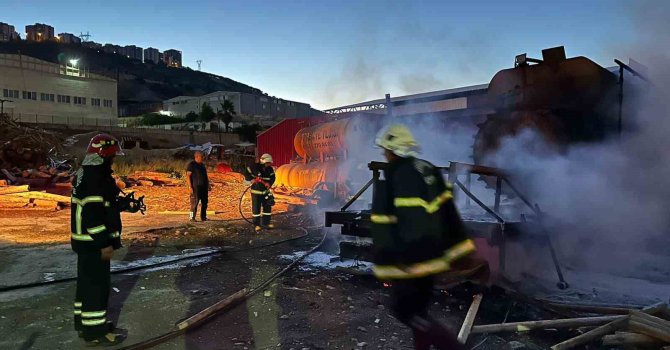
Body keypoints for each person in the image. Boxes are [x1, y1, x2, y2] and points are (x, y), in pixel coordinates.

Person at [370, 124, 476, 350]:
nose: (384, 155)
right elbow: (450, 214)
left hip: (411, 261)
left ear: (393, 150)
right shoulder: (428, 169)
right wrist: (461, 251)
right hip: (433, 256)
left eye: (385, 150)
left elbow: (384, 221)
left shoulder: (393, 174)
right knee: (419, 312)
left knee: (407, 312)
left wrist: (387, 258)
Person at [71, 134, 126, 346]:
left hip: (83, 241)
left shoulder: (86, 173)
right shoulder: (96, 178)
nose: (114, 160)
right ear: (103, 155)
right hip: (93, 243)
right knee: (97, 287)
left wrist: (124, 205)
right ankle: (96, 332)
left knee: (85, 285)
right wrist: (104, 243)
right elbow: (93, 215)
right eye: (112, 156)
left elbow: (103, 204)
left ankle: (85, 325)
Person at [244, 153, 275, 232]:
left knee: (267, 208)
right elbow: (246, 173)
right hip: (256, 192)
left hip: (266, 192)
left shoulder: (270, 169)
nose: (269, 164)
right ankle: (256, 225)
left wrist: (270, 183)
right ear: (264, 161)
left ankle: (266, 223)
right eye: (268, 163)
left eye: (269, 163)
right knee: (256, 209)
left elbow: (273, 177)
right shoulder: (254, 167)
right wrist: (251, 179)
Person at [186, 151, 210, 222]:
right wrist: (190, 187)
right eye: (201, 157)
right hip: (195, 187)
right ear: (197, 157)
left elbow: (205, 176)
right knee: (194, 203)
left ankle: (203, 217)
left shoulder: (202, 165)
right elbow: (188, 176)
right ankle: (191, 217)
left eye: (203, 157)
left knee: (205, 203)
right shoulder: (192, 165)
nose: (202, 158)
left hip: (203, 187)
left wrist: (208, 185)